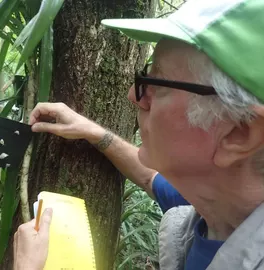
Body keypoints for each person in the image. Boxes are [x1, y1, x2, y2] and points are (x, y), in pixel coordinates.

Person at [14, 0, 264, 269]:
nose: (133, 96)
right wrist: (92, 132)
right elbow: (148, 178)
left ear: (239, 133)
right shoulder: (218, 205)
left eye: (157, 82)